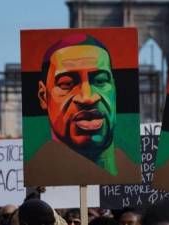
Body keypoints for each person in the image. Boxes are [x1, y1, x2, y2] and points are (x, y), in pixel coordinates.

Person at [25, 33, 140, 185]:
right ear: (43, 96)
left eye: (100, 81)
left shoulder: (136, 172)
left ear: (115, 89)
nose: (87, 97)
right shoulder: (34, 171)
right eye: (66, 84)